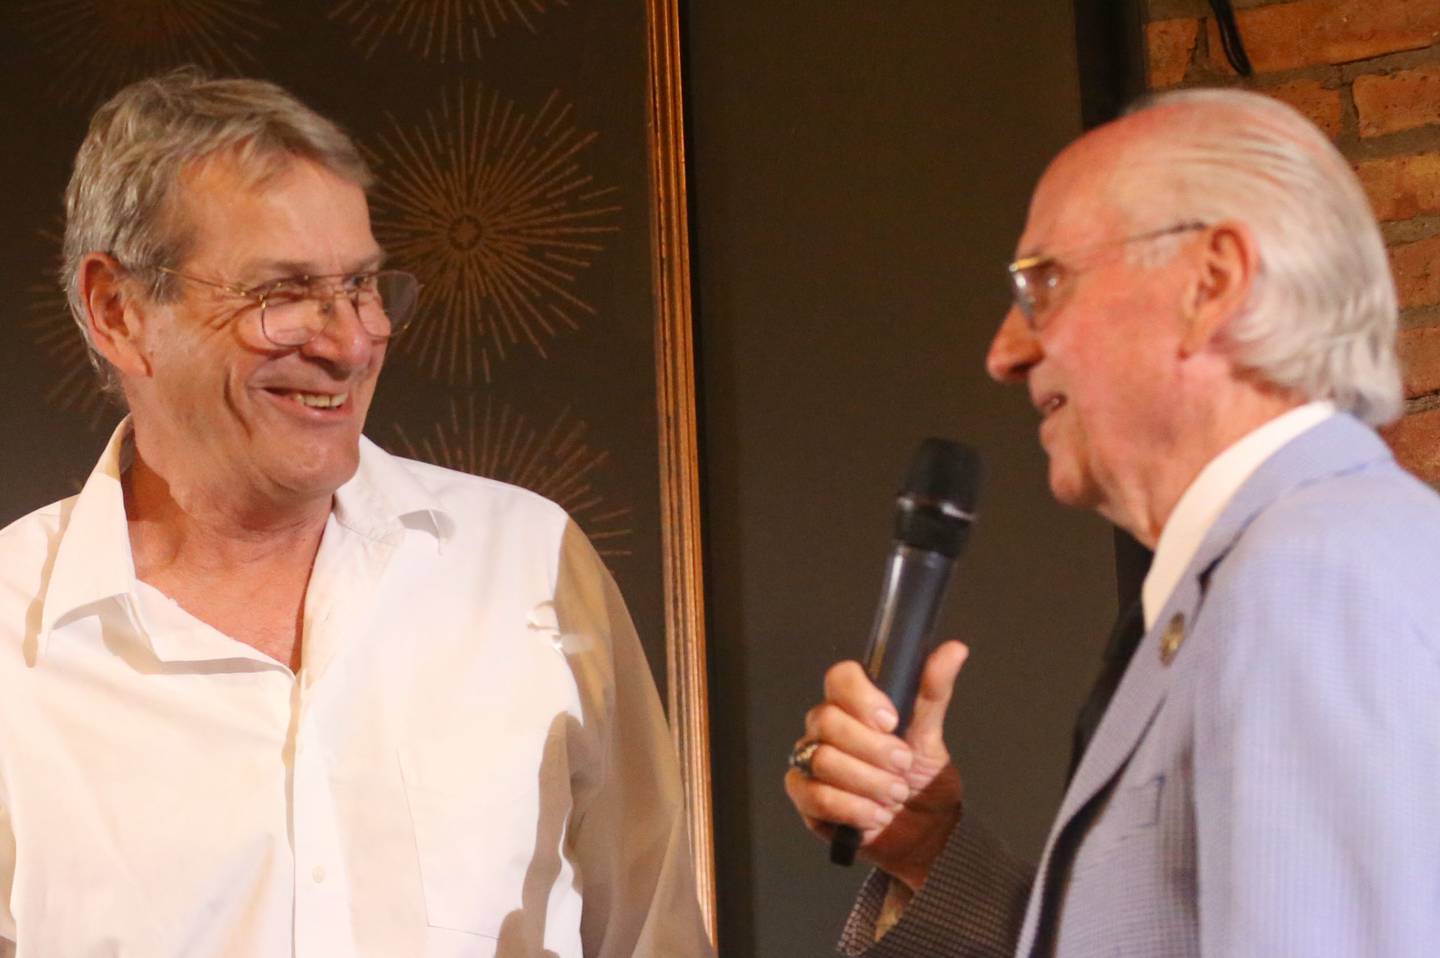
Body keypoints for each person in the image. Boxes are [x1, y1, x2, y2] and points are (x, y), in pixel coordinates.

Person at [0, 68, 713, 957]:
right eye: (285, 294)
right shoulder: (10, 635)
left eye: (365, 287)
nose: (349, 342)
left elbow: (656, 939)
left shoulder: (527, 563)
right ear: (119, 311)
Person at [785, 87, 1440, 956]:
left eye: (1043, 283)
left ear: (1211, 283)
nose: (1005, 352)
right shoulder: (1249, 579)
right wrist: (928, 851)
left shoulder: (1314, 574)